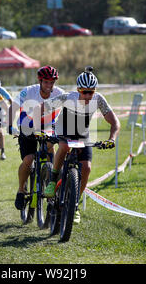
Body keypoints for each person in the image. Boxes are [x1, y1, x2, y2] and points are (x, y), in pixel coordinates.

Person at [42, 67, 120, 224]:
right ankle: (52, 180)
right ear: (78, 90)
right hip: (63, 129)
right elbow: (43, 107)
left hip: (82, 134)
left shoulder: (98, 99)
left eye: (91, 92)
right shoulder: (69, 97)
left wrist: (112, 139)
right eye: (84, 92)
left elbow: (115, 122)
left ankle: (74, 204)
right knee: (63, 147)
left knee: (87, 167)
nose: (87, 95)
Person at [9, 65, 65, 211]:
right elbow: (13, 107)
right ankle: (21, 190)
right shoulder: (28, 91)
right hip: (27, 125)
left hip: (48, 127)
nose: (49, 85)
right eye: (46, 82)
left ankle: (50, 181)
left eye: (52, 82)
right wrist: (9, 124)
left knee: (50, 149)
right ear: (40, 81)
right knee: (28, 160)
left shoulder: (59, 93)